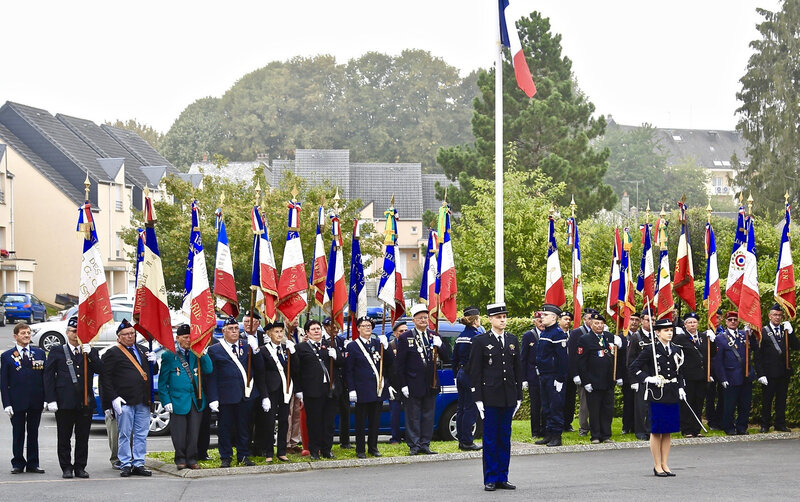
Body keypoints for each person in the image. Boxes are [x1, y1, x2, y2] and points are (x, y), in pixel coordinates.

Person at [469, 303, 522, 491]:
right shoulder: (480, 341)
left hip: (508, 397)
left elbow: (517, 370)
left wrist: (519, 396)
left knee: (504, 438)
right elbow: (474, 371)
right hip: (490, 397)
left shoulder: (512, 340)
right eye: (498, 317)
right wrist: (478, 398)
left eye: (504, 316)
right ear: (490, 319)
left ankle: (502, 476)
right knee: (490, 438)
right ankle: (490, 478)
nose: (502, 319)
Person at [43, 316, 102, 478]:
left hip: (84, 401)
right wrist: (51, 399)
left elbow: (100, 370)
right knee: (64, 437)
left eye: (80, 332)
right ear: (67, 332)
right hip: (64, 401)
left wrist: (90, 354)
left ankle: (80, 467)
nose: (76, 335)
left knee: (82, 438)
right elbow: (48, 376)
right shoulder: (57, 351)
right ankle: (66, 467)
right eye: (74, 331)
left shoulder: (90, 351)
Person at [100, 319, 159, 477]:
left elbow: (152, 371)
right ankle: (125, 463)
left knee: (141, 434)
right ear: (119, 337)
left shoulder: (143, 349)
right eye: (126, 334)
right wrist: (113, 398)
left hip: (143, 399)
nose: (130, 336)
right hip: (124, 400)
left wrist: (154, 361)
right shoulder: (112, 353)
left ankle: (138, 462)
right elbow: (106, 378)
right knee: (124, 434)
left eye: (132, 333)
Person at [630, 318, 687, 477]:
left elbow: (680, 371)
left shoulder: (676, 349)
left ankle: (665, 463)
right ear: (658, 332)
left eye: (671, 330)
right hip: (657, 392)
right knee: (656, 431)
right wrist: (647, 378)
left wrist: (681, 387)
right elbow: (634, 367)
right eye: (666, 330)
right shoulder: (651, 349)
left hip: (672, 392)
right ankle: (657, 465)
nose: (669, 333)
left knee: (668, 431)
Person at [207, 317, 266, 467]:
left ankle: (243, 455)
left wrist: (257, 350)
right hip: (226, 396)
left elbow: (259, 369)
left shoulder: (247, 346)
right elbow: (212, 376)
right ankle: (226, 456)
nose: (234, 331)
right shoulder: (215, 350)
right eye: (231, 329)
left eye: (236, 329)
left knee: (244, 427)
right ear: (223, 331)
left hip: (246, 395)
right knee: (225, 428)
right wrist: (213, 398)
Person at [395, 303, 450, 455]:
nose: (423, 320)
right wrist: (403, 385)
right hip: (413, 383)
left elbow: (446, 358)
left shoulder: (433, 335)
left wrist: (441, 345)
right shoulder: (406, 337)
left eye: (425, 317)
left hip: (430, 383)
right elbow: (400, 365)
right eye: (420, 318)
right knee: (412, 416)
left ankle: (425, 443)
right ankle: (414, 445)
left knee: (428, 415)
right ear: (413, 320)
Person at [158, 324, 212, 470]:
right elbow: (162, 382)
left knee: (194, 433)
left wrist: (204, 353)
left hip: (196, 399)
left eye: (190, 337)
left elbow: (209, 370)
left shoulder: (197, 354)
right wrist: (166, 401)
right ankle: (180, 459)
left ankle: (192, 459)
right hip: (177, 400)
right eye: (185, 337)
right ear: (178, 338)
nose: (189, 340)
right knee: (179, 433)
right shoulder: (169, 355)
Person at [1, 322, 46, 474]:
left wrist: (46, 399)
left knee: (33, 433)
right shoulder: (7, 356)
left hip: (36, 400)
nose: (27, 335)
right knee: (18, 432)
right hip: (17, 401)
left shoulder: (39, 353)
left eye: (28, 333)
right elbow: (4, 382)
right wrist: (6, 403)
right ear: (15, 336)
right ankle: (18, 463)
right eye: (23, 333)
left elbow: (44, 378)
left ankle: (33, 463)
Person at [294, 319, 341, 459]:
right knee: (314, 422)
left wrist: (336, 356)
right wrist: (299, 390)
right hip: (312, 390)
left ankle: (327, 449)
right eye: (313, 329)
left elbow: (341, 365)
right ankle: (314, 450)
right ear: (307, 332)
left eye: (318, 328)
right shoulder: (301, 348)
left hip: (330, 390)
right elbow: (296, 370)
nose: (316, 331)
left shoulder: (329, 345)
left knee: (329, 422)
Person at [345, 316, 391, 458]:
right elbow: (349, 370)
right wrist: (351, 389)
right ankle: (360, 449)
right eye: (364, 326)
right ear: (358, 328)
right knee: (360, 422)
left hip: (377, 388)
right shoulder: (352, 346)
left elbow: (389, 364)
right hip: (361, 389)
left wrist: (387, 347)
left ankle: (373, 447)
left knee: (375, 421)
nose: (367, 328)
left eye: (369, 325)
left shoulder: (378, 343)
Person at [578, 312, 622, 444]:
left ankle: (606, 435)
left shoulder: (609, 337)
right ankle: (595, 436)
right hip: (593, 381)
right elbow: (581, 362)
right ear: (591, 324)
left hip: (608, 381)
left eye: (601, 323)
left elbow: (616, 358)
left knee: (607, 409)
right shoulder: (585, 339)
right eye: (596, 323)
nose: (599, 326)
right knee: (595, 410)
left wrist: (617, 376)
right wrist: (586, 382)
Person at [755, 304, 799, 432]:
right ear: (769, 316)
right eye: (775, 315)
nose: (777, 317)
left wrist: (791, 333)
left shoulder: (785, 330)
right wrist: (761, 374)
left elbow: (796, 346)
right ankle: (765, 424)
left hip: (783, 372)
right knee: (767, 400)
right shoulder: (762, 332)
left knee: (781, 400)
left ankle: (780, 423)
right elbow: (758, 356)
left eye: (779, 315)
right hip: (769, 373)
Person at [259, 320, 297, 462]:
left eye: (281, 331)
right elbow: (260, 374)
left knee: (284, 421)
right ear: (270, 333)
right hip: (271, 391)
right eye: (276, 331)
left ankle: (281, 451)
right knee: (269, 422)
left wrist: (293, 353)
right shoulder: (263, 350)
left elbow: (295, 369)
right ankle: (268, 452)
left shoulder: (286, 349)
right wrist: (264, 396)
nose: (280, 334)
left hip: (285, 390)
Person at [672, 312, 715, 437]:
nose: (692, 324)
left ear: (698, 324)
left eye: (694, 322)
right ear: (685, 325)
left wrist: (712, 341)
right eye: (689, 322)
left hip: (701, 376)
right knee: (688, 402)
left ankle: (697, 428)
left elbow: (711, 354)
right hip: (688, 375)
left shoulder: (703, 337)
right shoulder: (681, 338)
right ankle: (687, 429)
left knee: (699, 401)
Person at [714, 311, 756, 436]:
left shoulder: (744, 335)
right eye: (730, 320)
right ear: (726, 322)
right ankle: (729, 427)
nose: (733, 322)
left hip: (746, 375)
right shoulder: (720, 338)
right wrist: (722, 378)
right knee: (729, 405)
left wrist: (752, 334)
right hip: (731, 376)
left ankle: (742, 427)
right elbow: (718, 361)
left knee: (745, 404)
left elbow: (754, 347)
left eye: (735, 320)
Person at [534, 304, 569, 447]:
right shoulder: (546, 332)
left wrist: (560, 378)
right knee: (546, 406)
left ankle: (556, 436)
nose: (542, 317)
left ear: (554, 317)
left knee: (555, 407)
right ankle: (548, 434)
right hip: (544, 375)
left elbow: (562, 359)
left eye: (545, 315)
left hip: (554, 376)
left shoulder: (558, 333)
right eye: (542, 315)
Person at [452, 306, 482, 450]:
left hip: (461, 373)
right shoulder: (475, 337)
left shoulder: (460, 337)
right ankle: (467, 441)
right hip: (471, 375)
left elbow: (454, 359)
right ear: (475, 320)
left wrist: (455, 375)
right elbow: (477, 360)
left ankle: (461, 440)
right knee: (471, 408)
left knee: (461, 409)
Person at [567, 308, 596, 436]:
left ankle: (596, 426)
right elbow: (572, 355)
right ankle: (583, 428)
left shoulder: (599, 333)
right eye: (589, 318)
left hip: (596, 373)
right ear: (584, 319)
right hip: (582, 373)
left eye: (594, 319)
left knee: (596, 402)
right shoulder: (576, 333)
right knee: (584, 402)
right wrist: (575, 374)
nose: (592, 321)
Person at [325, 318, 352, 449]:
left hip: (343, 382)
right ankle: (327, 443)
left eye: (337, 326)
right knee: (329, 415)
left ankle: (345, 441)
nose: (335, 328)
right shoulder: (324, 342)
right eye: (332, 326)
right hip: (331, 382)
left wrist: (348, 349)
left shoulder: (341, 341)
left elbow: (347, 361)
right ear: (325, 327)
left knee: (345, 412)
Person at [627, 311, 653, 440]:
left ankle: (650, 430)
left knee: (652, 405)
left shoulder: (656, 336)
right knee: (641, 406)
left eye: (653, 320)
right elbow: (630, 360)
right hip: (640, 376)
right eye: (648, 320)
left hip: (653, 376)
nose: (651, 323)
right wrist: (633, 380)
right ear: (642, 321)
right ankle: (640, 431)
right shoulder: (636, 337)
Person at [284, 318, 305, 452]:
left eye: (297, 316)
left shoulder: (302, 332)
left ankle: (294, 441)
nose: (295, 319)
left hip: (301, 375)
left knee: (297, 411)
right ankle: (285, 443)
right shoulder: (281, 333)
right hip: (287, 376)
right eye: (292, 316)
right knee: (288, 412)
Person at [520, 317, 543, 440]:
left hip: (545, 373)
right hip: (533, 374)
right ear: (534, 322)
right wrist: (523, 378)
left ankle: (545, 428)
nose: (542, 324)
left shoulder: (548, 333)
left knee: (546, 404)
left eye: (543, 321)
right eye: (539, 321)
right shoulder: (528, 335)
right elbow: (523, 358)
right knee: (535, 404)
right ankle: (535, 431)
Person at [387, 320, 407, 444]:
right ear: (395, 333)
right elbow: (384, 367)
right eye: (401, 331)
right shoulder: (390, 346)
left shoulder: (412, 343)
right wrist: (387, 385)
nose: (404, 333)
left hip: (409, 385)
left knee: (411, 413)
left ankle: (410, 436)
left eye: (406, 331)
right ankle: (395, 437)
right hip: (394, 385)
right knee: (394, 414)